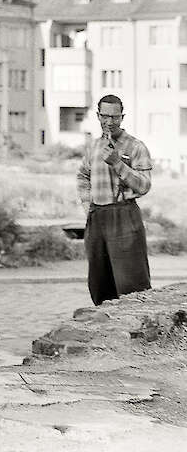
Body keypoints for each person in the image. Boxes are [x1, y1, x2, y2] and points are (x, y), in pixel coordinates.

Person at [76, 94, 152, 306]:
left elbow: (144, 185)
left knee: (131, 283)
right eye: (105, 116)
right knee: (99, 282)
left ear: (122, 117)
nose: (109, 122)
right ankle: (106, 333)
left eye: (115, 117)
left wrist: (118, 163)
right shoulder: (93, 146)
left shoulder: (136, 147)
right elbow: (82, 176)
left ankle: (137, 331)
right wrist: (87, 206)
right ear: (98, 116)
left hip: (124, 216)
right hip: (97, 216)